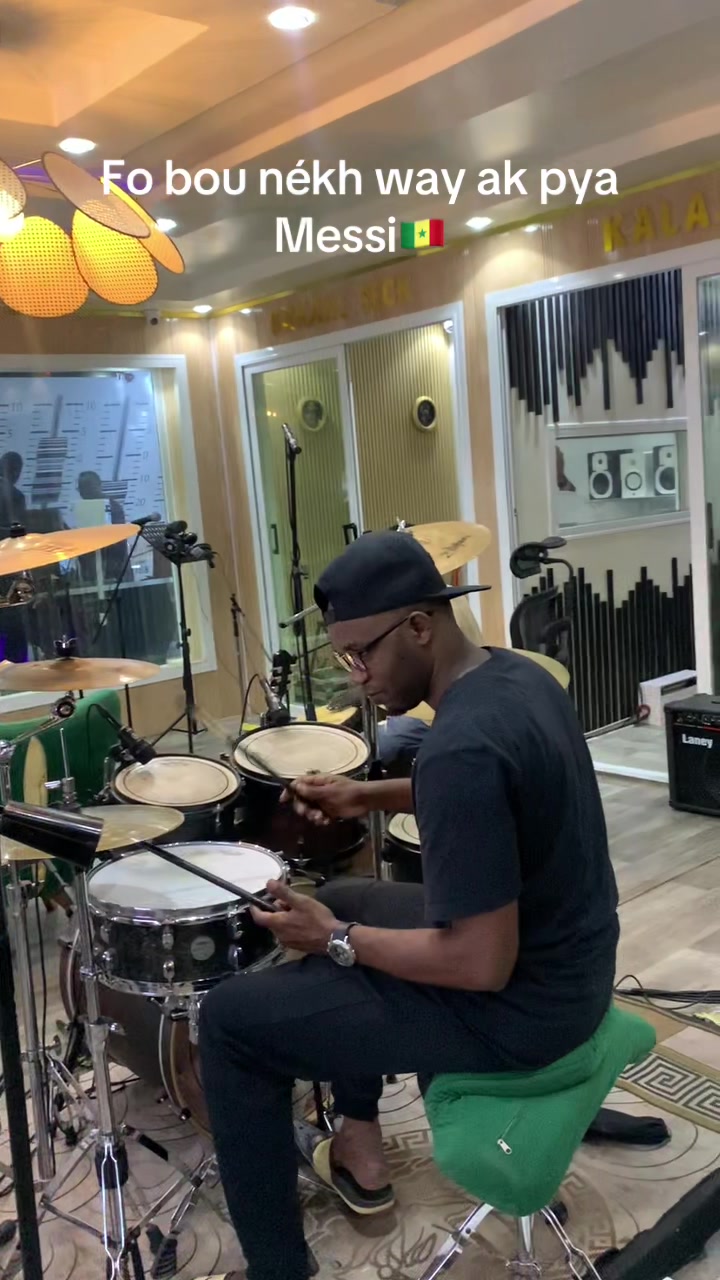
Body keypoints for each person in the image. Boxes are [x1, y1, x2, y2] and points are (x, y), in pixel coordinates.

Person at [197, 530, 619, 1280]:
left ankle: (276, 1270)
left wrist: (337, 938)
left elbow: (479, 964)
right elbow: (491, 790)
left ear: (420, 626)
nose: (356, 677)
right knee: (345, 890)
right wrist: (365, 795)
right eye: (344, 659)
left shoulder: (460, 747)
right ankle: (358, 1131)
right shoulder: (518, 678)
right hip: (576, 963)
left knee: (231, 1023)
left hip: (523, 1012)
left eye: (362, 654)